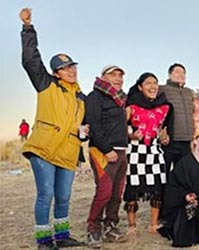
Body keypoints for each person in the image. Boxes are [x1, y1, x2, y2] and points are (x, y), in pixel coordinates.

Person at [19, 8, 85, 249]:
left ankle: (63, 235)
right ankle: (44, 240)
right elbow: (30, 59)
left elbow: (85, 124)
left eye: (73, 66)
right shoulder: (46, 84)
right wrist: (28, 27)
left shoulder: (80, 97)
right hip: (44, 149)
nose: (72, 70)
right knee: (46, 195)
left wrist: (84, 132)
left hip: (67, 152)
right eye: (66, 68)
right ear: (56, 72)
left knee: (64, 197)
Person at [122, 73, 174, 237]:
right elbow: (121, 128)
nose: (153, 86)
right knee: (132, 188)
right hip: (135, 152)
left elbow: (165, 131)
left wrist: (165, 138)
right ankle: (132, 225)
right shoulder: (130, 106)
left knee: (157, 188)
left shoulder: (164, 107)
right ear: (140, 87)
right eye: (148, 83)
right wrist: (131, 136)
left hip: (155, 152)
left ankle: (153, 223)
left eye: (155, 83)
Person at [85, 65, 128, 248]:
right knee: (104, 191)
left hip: (121, 151)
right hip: (103, 151)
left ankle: (111, 226)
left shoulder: (120, 100)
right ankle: (93, 228)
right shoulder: (95, 97)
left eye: (120, 75)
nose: (118, 78)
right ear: (103, 77)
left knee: (117, 193)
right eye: (113, 75)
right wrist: (107, 149)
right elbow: (93, 125)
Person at [159, 63, 194, 170]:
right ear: (169, 75)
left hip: (186, 141)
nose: (181, 75)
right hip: (169, 140)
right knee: (164, 173)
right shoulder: (162, 89)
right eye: (177, 72)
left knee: (183, 174)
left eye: (184, 73)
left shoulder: (188, 92)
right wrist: (161, 131)